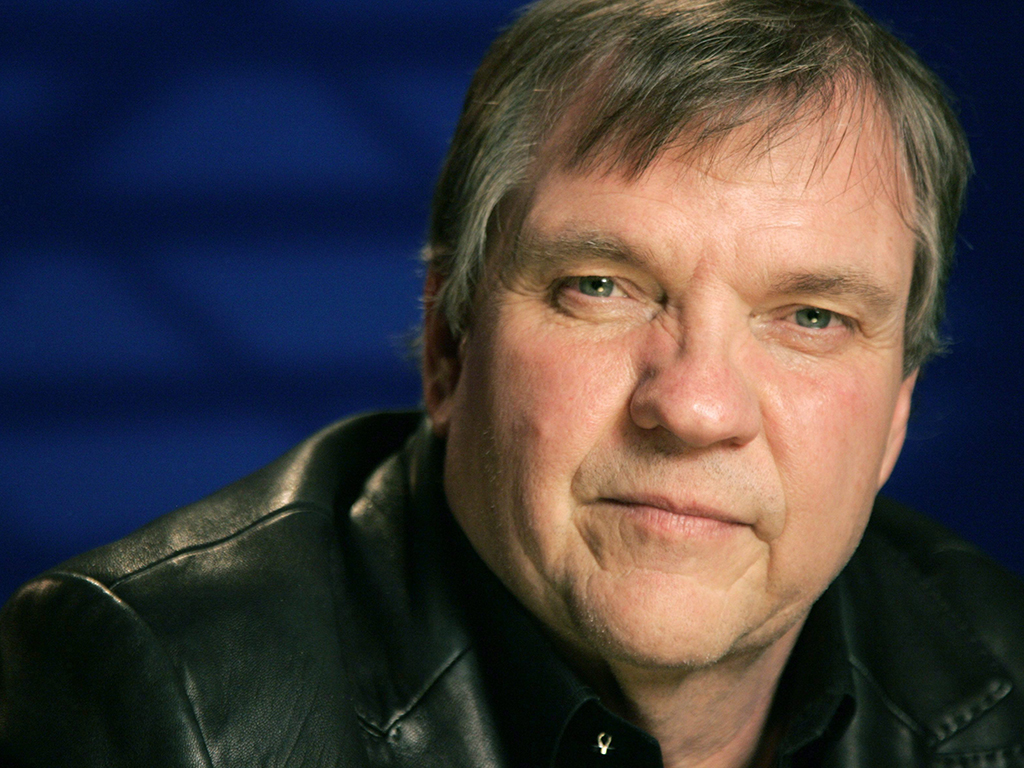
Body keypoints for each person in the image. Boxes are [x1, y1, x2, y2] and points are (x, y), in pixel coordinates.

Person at [1, 0, 1021, 765]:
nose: (695, 407)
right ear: (448, 343)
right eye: (601, 286)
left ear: (897, 409)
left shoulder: (1007, 670)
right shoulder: (162, 695)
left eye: (811, 318)